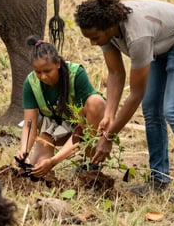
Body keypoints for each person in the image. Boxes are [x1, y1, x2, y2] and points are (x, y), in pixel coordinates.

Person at [74, 0, 174, 195]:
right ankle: (159, 179)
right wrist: (109, 114)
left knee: (173, 110)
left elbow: (135, 95)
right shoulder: (108, 32)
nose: (92, 43)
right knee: (151, 109)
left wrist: (109, 137)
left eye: (95, 37)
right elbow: (115, 73)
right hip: (160, 45)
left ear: (110, 26)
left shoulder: (137, 36)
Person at [15, 36, 106, 176]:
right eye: (38, 72)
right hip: (54, 126)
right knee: (36, 168)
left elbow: (82, 128)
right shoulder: (31, 83)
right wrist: (23, 151)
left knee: (96, 102)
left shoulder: (76, 75)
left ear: (58, 63)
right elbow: (29, 124)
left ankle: (90, 164)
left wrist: (54, 161)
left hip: (85, 125)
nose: (43, 77)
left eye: (47, 71)